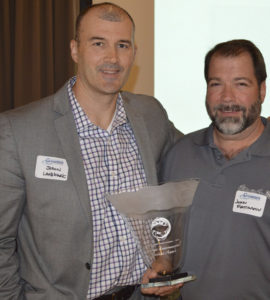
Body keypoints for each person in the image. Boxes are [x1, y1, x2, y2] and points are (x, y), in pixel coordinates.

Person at [0, 2, 182, 299]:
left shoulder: (151, 115)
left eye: (122, 45)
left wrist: (164, 254)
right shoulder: (18, 131)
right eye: (99, 43)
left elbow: (192, 165)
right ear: (75, 50)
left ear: (134, 53)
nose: (112, 58)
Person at [158, 39, 270, 299]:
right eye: (216, 84)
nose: (227, 97)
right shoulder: (178, 154)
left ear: (262, 90)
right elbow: (164, 237)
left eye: (241, 84)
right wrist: (163, 262)